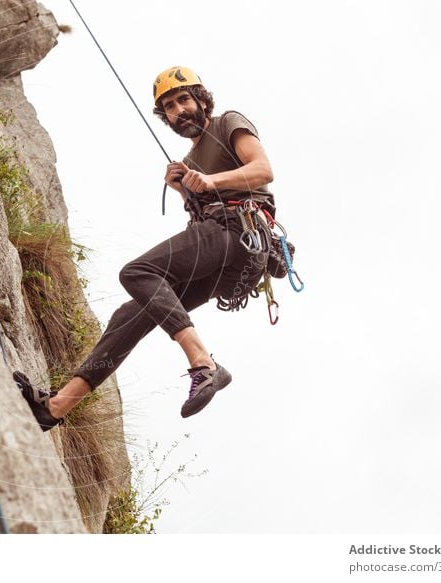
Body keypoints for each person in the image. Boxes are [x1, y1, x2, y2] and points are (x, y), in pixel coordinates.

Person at [15, 66, 276, 431]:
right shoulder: (190, 162)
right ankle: (54, 408)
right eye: (169, 106)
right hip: (230, 256)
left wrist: (209, 179)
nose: (179, 110)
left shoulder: (228, 123)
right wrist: (184, 190)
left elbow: (262, 170)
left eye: (184, 99)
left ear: (202, 98)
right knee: (132, 313)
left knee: (138, 272)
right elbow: (203, 217)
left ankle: (204, 363)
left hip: (239, 231)